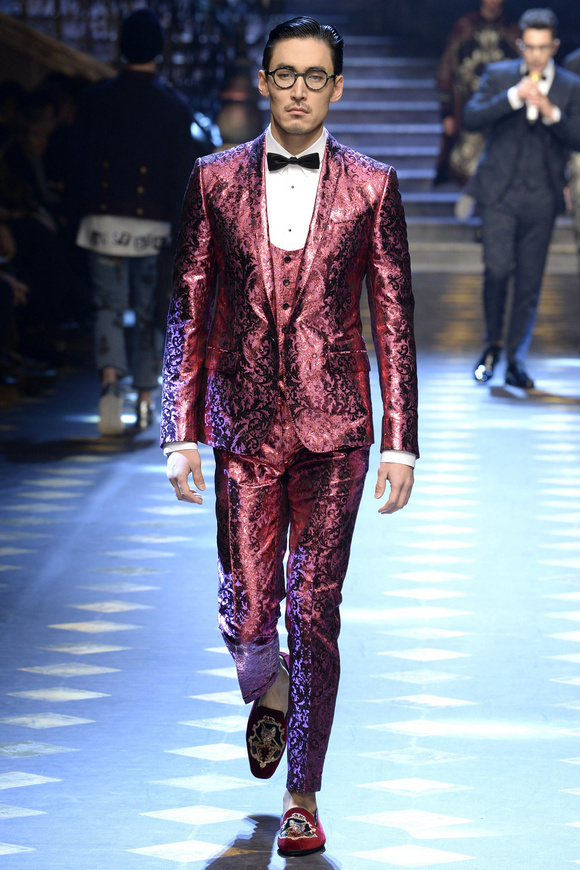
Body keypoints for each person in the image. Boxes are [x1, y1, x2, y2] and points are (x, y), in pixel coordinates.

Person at [161, 16, 418, 858]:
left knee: (314, 606)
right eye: (285, 74)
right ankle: (265, 683)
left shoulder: (373, 186)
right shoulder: (213, 179)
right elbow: (188, 306)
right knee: (248, 610)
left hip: (337, 428)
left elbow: (393, 318)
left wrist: (400, 442)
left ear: (336, 87)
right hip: (241, 426)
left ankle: (303, 793)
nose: (299, 90)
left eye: (315, 76)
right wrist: (179, 430)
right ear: (265, 80)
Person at [70, 9, 194, 435]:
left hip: (102, 221)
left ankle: (109, 386)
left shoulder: (96, 98)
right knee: (148, 310)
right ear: (159, 49)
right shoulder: (174, 105)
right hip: (152, 225)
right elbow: (179, 176)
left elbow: (79, 162)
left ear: (120, 46)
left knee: (106, 305)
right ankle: (144, 397)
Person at [464, 8, 580, 388]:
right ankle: (492, 345)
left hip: (543, 195)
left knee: (530, 281)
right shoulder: (500, 76)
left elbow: (577, 138)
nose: (535, 55)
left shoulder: (569, 85)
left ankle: (516, 359)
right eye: (529, 47)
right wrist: (513, 97)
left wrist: (551, 111)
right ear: (520, 45)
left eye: (543, 47)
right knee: (497, 270)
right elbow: (471, 117)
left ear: (554, 46)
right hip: (500, 192)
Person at [435, 0, 519, 212]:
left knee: (499, 158)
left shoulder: (511, 29)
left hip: (503, 110)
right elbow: (447, 69)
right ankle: (473, 196)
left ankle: (490, 207)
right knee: (467, 157)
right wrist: (447, 112)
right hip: (467, 108)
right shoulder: (465, 27)